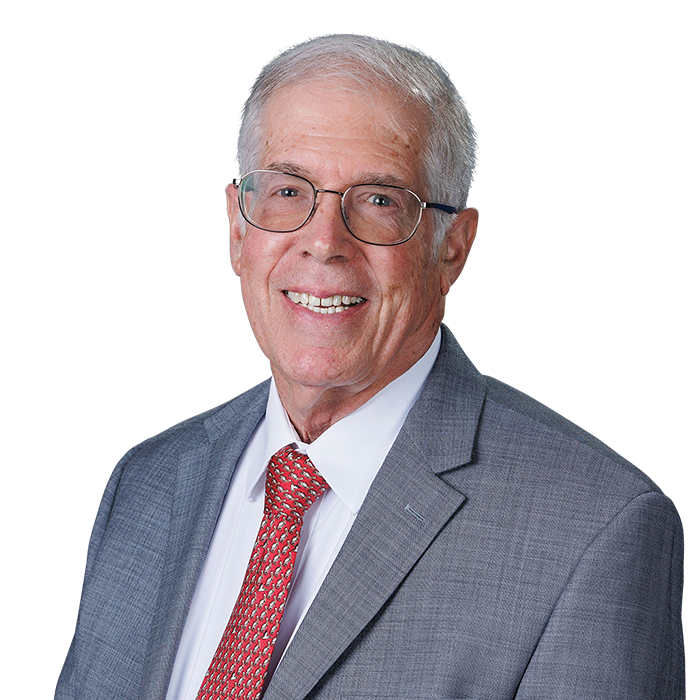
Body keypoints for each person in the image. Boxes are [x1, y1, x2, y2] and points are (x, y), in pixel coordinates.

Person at [55, 34, 686, 700]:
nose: (323, 242)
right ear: (239, 231)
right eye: (288, 191)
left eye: (380, 200)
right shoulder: (149, 481)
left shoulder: (594, 532)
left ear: (451, 249)